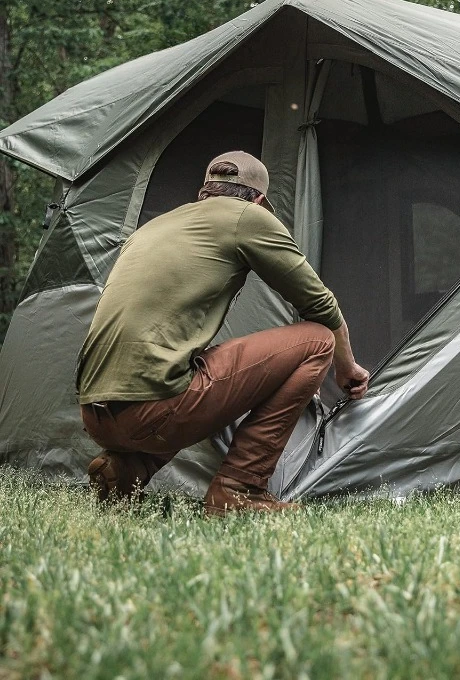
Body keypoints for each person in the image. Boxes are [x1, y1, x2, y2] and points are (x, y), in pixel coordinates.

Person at [77, 150, 368, 516]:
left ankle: (128, 469)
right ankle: (239, 489)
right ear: (259, 201)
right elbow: (320, 306)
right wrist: (347, 367)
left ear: (205, 192)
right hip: (155, 412)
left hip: (95, 414)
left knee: (189, 365)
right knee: (316, 341)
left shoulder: (155, 226)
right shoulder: (248, 216)